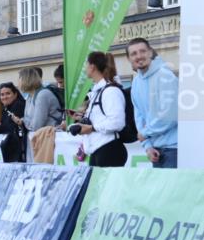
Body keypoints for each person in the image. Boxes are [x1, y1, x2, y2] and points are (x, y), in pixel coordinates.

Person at [127, 38, 178, 168]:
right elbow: (139, 118)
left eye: (142, 51)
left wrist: (145, 133)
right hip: (155, 150)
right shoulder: (136, 82)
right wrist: (147, 146)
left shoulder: (165, 76)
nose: (139, 56)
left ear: (150, 53)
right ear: (129, 59)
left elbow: (170, 116)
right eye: (133, 53)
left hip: (174, 149)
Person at [73, 51, 128, 167]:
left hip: (109, 150)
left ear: (92, 67)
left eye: (86, 65)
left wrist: (91, 128)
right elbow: (100, 118)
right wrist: (81, 119)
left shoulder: (110, 91)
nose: (85, 69)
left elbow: (117, 122)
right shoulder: (98, 91)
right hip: (98, 150)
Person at [17, 67, 63, 132]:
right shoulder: (30, 96)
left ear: (26, 79)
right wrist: (23, 121)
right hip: (42, 136)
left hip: (51, 136)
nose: (18, 82)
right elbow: (27, 119)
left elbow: (36, 126)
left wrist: (24, 122)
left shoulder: (42, 95)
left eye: (19, 78)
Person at [0, 82, 27, 162]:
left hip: (21, 149)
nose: (4, 97)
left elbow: (11, 126)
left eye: (8, 93)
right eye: (2, 94)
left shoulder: (19, 105)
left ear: (15, 94)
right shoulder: (6, 108)